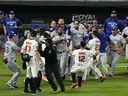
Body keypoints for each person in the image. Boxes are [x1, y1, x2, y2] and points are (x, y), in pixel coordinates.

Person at [21, 30, 41, 95]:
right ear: (35, 35)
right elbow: (36, 52)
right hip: (33, 59)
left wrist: (23, 60)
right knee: (35, 75)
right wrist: (40, 61)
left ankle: (25, 90)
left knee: (28, 75)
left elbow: (23, 50)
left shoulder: (26, 41)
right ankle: (34, 91)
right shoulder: (35, 42)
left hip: (27, 59)